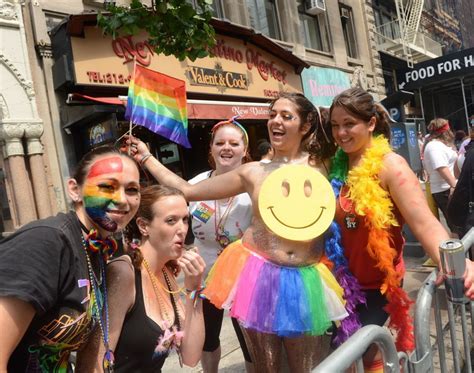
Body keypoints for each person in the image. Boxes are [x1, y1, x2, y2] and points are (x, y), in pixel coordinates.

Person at [128, 92, 348, 372]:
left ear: (305, 126)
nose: (275, 121)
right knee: (265, 368)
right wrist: (146, 156)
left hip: (307, 282)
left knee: (307, 368)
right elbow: (188, 190)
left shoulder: (325, 165)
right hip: (260, 279)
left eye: (286, 116)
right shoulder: (253, 172)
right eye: (272, 115)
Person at [326, 88, 474, 372]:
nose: (340, 133)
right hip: (342, 285)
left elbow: (424, 222)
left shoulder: (391, 166)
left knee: (361, 355)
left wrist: (457, 261)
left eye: (348, 124)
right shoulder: (338, 164)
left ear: (370, 123)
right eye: (335, 125)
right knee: (350, 357)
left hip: (379, 286)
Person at [0, 145, 141, 372]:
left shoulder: (97, 248)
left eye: (132, 189)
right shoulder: (48, 242)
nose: (123, 200)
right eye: (107, 186)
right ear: (75, 190)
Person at [77, 185, 205, 372]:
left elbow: (191, 356)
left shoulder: (167, 273)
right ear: (144, 226)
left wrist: (194, 289)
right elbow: (94, 362)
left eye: (185, 220)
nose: (182, 230)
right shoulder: (124, 272)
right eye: (171, 221)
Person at [188, 118, 253, 373]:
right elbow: (177, 224)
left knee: (249, 341)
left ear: (244, 150)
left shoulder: (254, 187)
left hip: (244, 279)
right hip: (205, 278)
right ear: (212, 149)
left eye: (234, 143)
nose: (227, 148)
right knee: (208, 339)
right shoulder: (194, 186)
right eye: (220, 142)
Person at [423, 118, 458, 233]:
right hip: (446, 191)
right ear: (445, 131)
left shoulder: (439, 145)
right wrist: (454, 186)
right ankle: (459, 250)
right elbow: (441, 167)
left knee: (458, 226)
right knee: (457, 226)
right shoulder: (434, 146)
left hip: (448, 189)